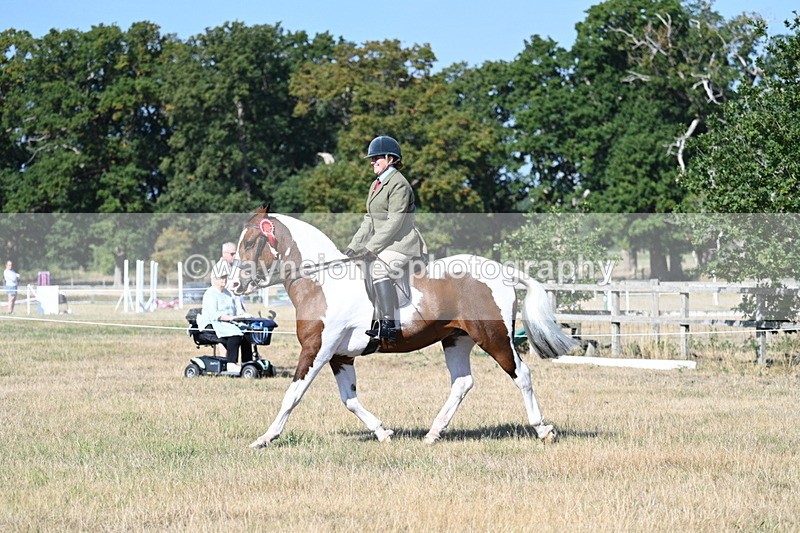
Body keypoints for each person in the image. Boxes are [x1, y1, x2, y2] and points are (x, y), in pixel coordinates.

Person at [342, 135, 425, 342]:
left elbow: (395, 221)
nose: (372, 162)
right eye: (372, 158)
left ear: (390, 158)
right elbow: (369, 220)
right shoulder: (376, 184)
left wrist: (371, 247)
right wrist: (353, 247)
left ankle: (389, 325)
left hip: (402, 244)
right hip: (383, 244)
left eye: (377, 158)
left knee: (378, 268)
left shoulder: (399, 184)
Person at [196, 270, 253, 372]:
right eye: (221, 278)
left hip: (230, 322)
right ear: (213, 280)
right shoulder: (210, 294)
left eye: (225, 277)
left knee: (247, 333)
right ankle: (231, 363)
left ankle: (247, 363)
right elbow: (214, 315)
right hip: (213, 322)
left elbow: (237, 308)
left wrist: (242, 315)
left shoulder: (229, 293)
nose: (224, 280)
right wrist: (230, 318)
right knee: (235, 334)